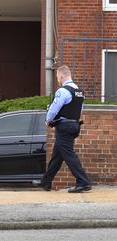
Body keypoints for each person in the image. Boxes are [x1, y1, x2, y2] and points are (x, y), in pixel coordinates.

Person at [32, 65, 92, 193]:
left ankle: (83, 182)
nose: (58, 80)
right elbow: (80, 110)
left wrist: (48, 120)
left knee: (69, 154)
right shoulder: (79, 92)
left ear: (61, 76)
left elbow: (54, 108)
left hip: (64, 127)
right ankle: (46, 182)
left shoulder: (62, 91)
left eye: (58, 77)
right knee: (57, 156)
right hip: (74, 125)